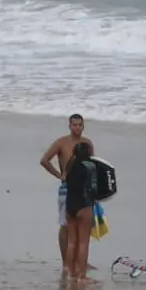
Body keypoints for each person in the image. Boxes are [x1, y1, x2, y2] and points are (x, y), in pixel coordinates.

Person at [39, 114, 93, 276]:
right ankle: (66, 263)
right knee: (65, 225)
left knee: (81, 229)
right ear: (69, 126)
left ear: (83, 127)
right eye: (74, 125)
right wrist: (58, 174)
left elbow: (92, 165)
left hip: (84, 188)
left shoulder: (87, 143)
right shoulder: (62, 142)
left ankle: (80, 261)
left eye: (80, 125)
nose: (77, 128)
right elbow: (44, 160)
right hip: (66, 187)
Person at [61, 141, 97, 282]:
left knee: (72, 242)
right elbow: (94, 188)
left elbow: (65, 181)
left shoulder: (70, 167)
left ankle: (70, 273)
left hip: (69, 207)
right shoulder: (90, 167)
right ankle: (81, 275)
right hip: (84, 206)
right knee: (83, 243)